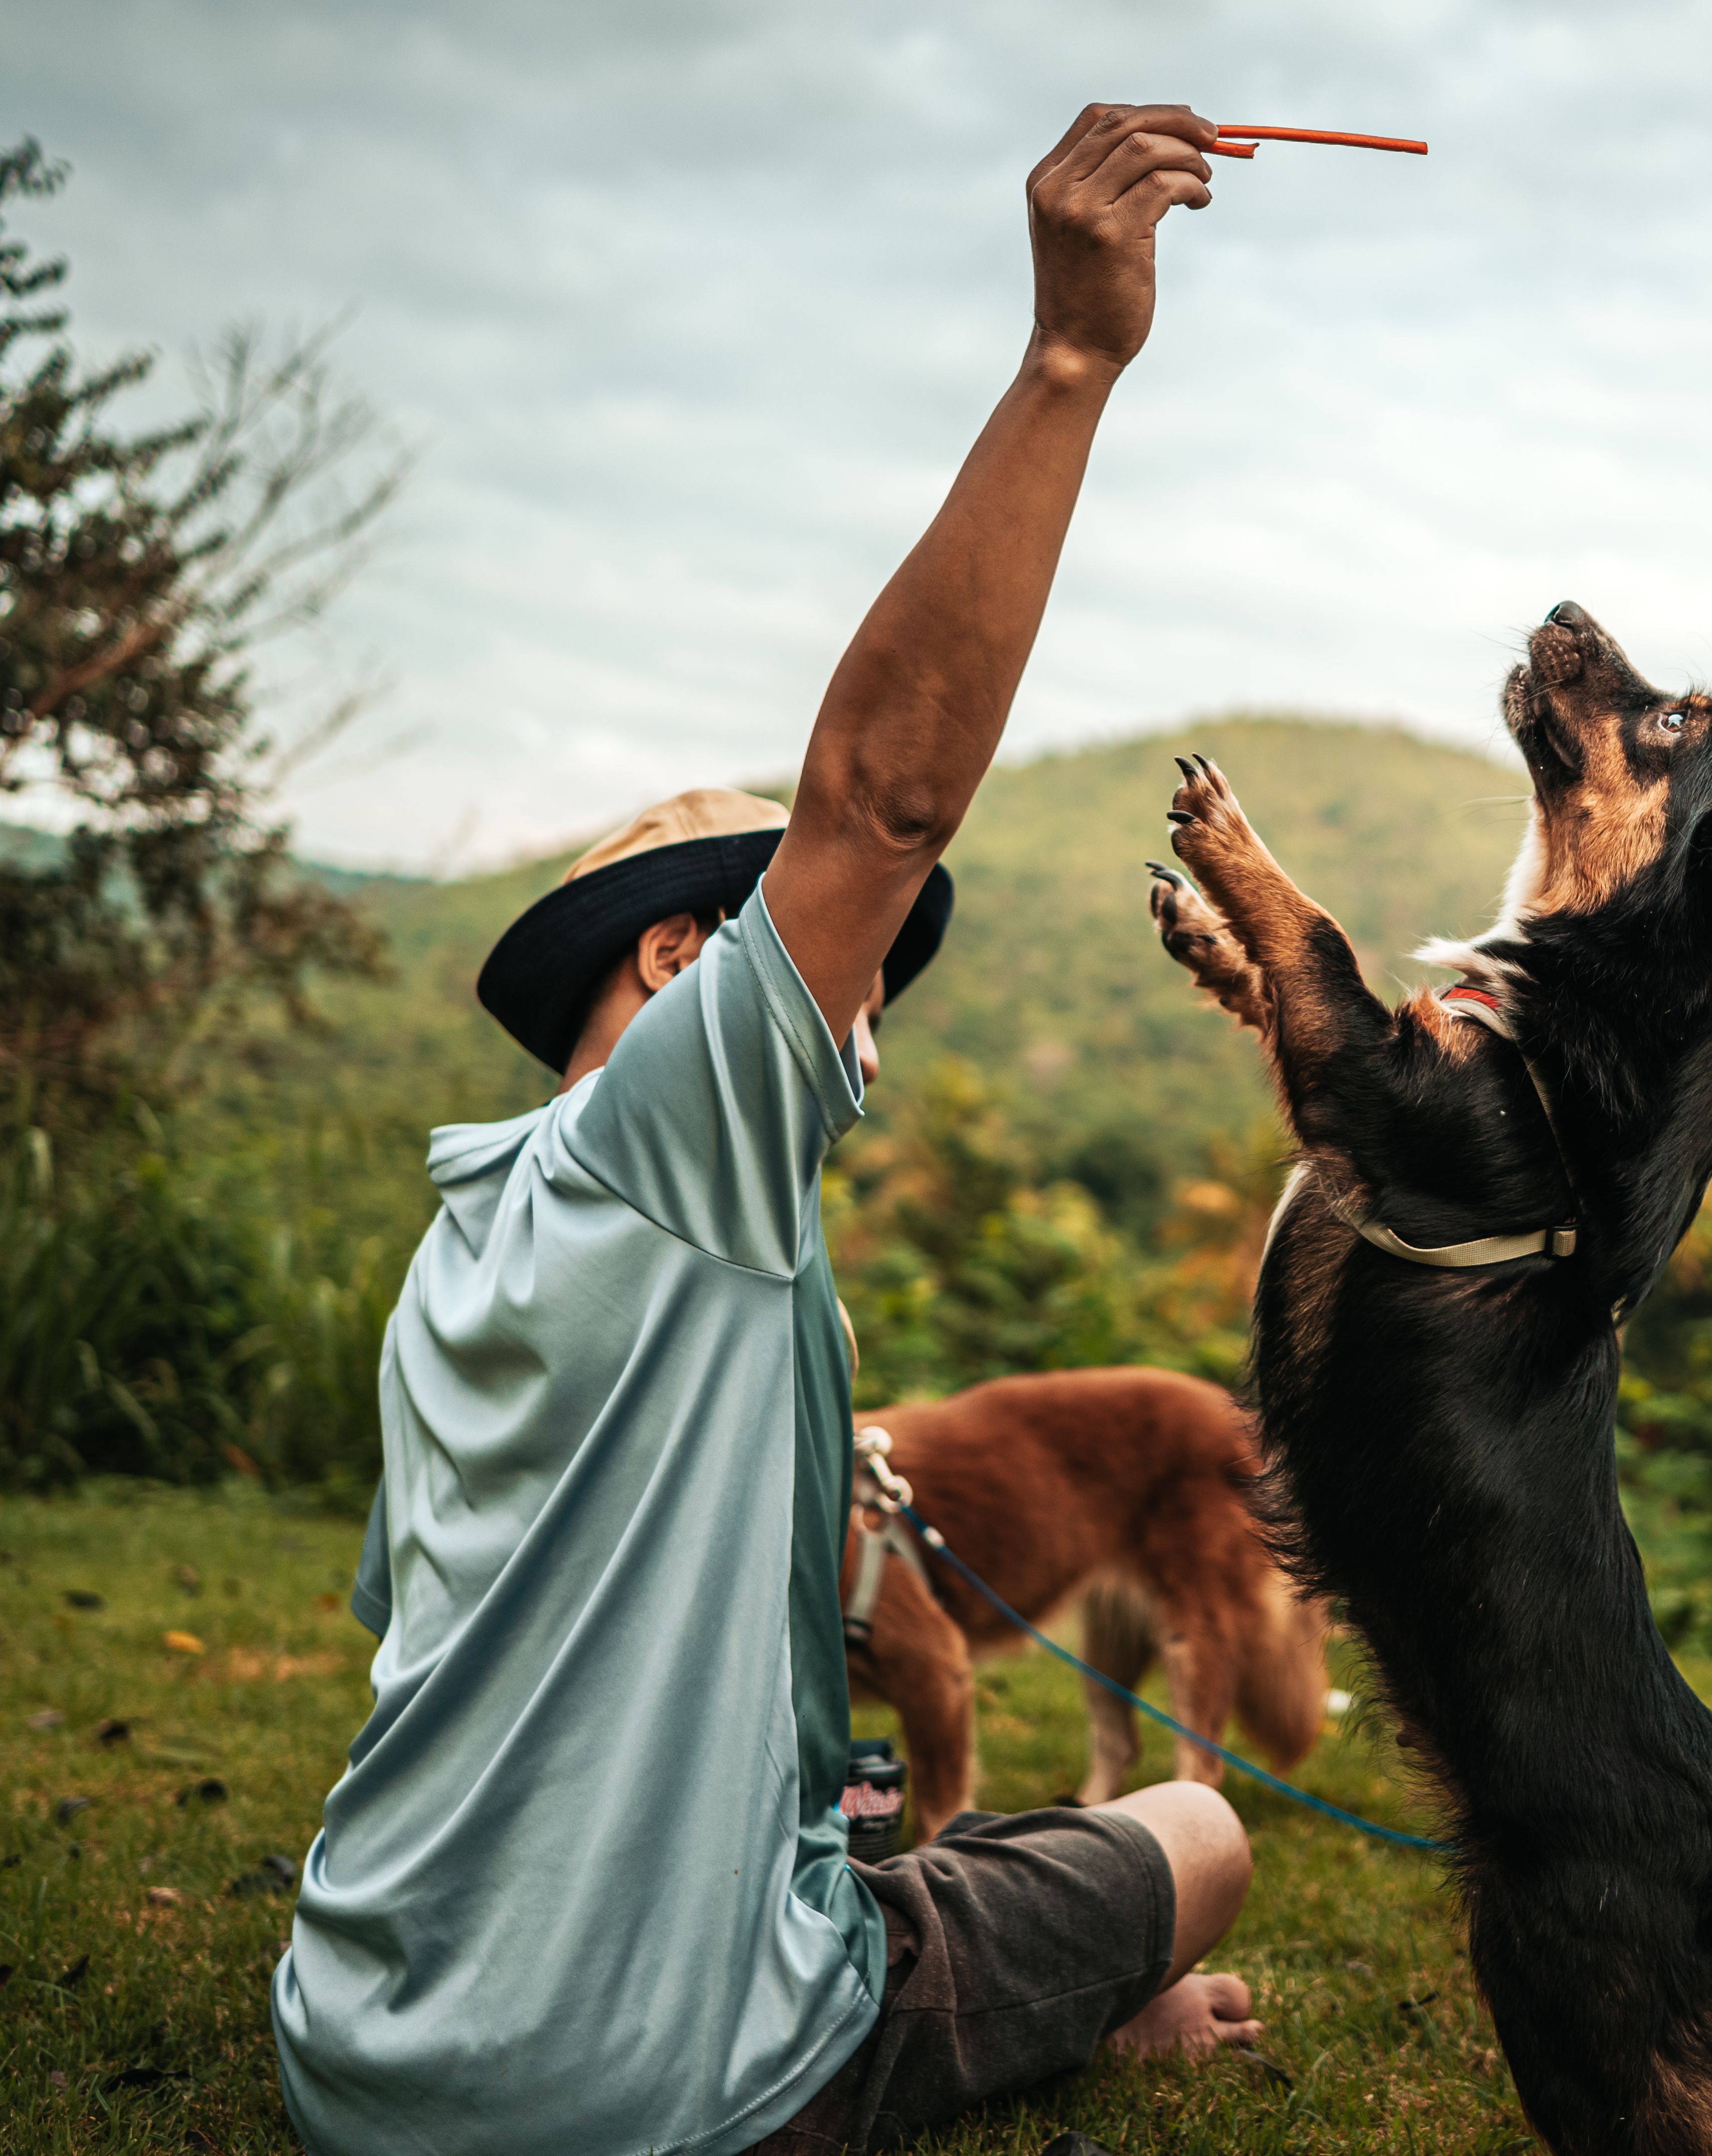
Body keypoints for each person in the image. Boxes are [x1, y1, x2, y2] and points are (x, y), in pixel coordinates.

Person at [272, 106, 1259, 2156]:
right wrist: (1072, 358)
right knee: (1196, 1834)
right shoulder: (672, 1143)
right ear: (673, 971)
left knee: (912, 1863)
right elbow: (884, 802)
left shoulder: (459, 1252)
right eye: (840, 987)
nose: (860, 1034)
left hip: (358, 2038)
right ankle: (1035, 2019)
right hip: (641, 2082)